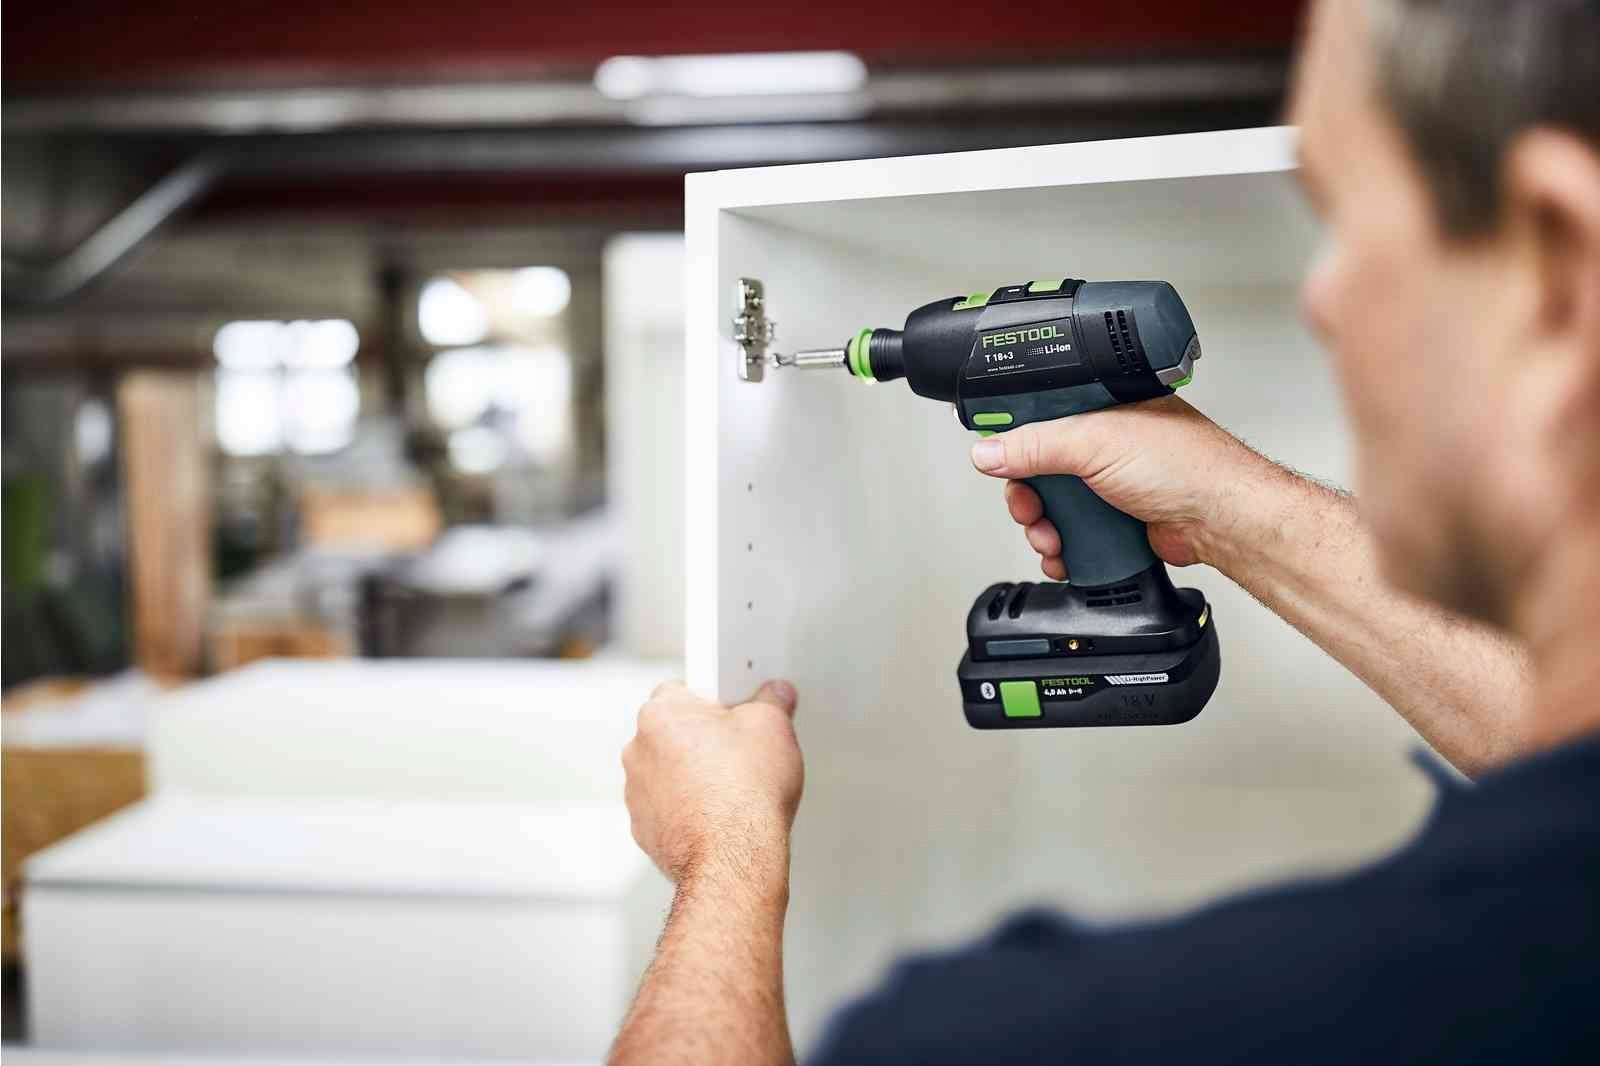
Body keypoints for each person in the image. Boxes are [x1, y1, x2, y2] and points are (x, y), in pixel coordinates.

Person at [610, 0, 1600, 1062]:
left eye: (1343, 214)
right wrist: (1228, 504)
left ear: (1557, 268)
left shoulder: (1028, 1035)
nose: (1321, 300)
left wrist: (725, 853)